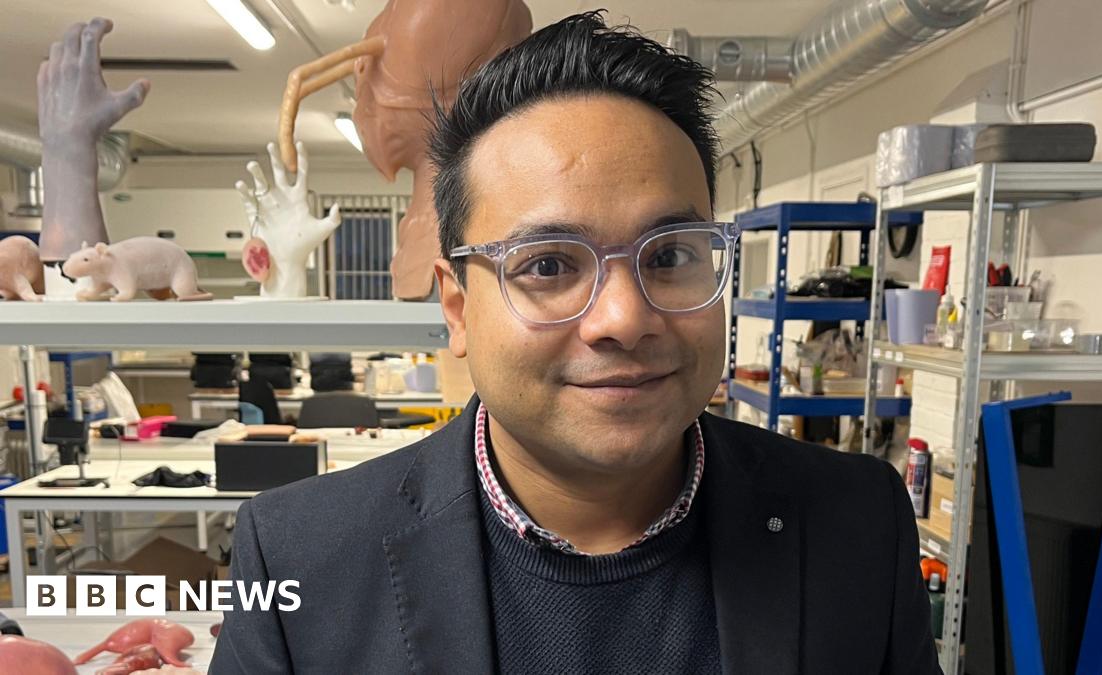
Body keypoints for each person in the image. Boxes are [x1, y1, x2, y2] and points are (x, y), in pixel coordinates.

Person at [211, 12, 939, 674]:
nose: (623, 318)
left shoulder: (856, 524)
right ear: (458, 305)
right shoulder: (302, 556)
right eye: (549, 265)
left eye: (669, 254)